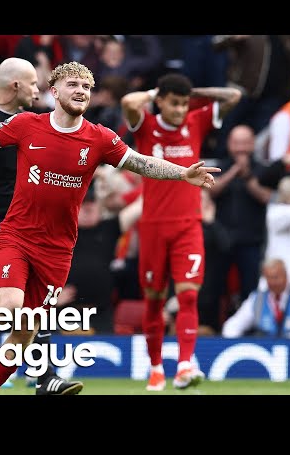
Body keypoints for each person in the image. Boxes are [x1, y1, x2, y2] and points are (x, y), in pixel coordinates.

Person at [0, 61, 220, 395]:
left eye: (87, 87)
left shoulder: (100, 138)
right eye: (74, 85)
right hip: (16, 236)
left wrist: (181, 172)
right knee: (9, 308)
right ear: (55, 90)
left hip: (58, 249)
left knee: (26, 330)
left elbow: (141, 162)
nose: (81, 91)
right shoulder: (27, 124)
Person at [0, 57, 84, 396]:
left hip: (31, 225)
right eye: (33, 84)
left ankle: (45, 377)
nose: (37, 90)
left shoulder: (37, 122)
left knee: (36, 308)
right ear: (15, 85)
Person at [120, 72, 241, 390]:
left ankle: (185, 365)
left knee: (188, 296)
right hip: (153, 228)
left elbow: (233, 96)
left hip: (189, 224)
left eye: (184, 104)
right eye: (174, 103)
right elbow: (127, 101)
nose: (180, 110)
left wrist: (194, 92)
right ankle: (157, 368)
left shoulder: (196, 121)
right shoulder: (146, 126)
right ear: (160, 101)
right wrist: (154, 90)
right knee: (154, 301)